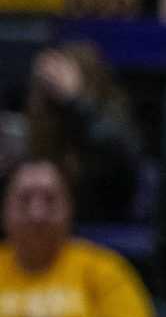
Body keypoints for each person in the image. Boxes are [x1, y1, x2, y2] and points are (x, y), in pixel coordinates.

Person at [0, 158, 155, 317]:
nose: (37, 213)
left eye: (50, 200)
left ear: (69, 208)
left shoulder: (104, 269)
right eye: (25, 200)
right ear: (5, 209)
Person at [17, 43, 141, 224]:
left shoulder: (112, 125)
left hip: (102, 232)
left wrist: (73, 100)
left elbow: (118, 160)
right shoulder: (41, 127)